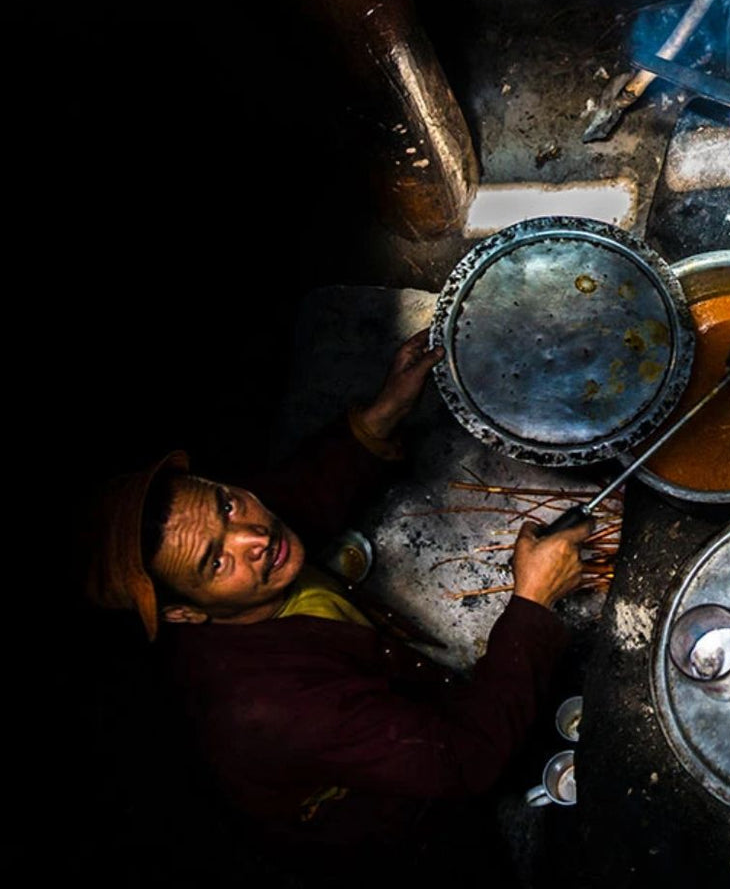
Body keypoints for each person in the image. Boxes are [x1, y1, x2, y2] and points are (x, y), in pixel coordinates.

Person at [84, 329, 594, 863]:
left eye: (228, 505)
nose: (256, 539)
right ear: (183, 611)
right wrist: (532, 604)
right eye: (216, 559)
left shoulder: (247, 547)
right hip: (396, 825)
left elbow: (300, 491)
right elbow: (460, 761)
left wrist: (381, 415)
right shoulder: (268, 705)